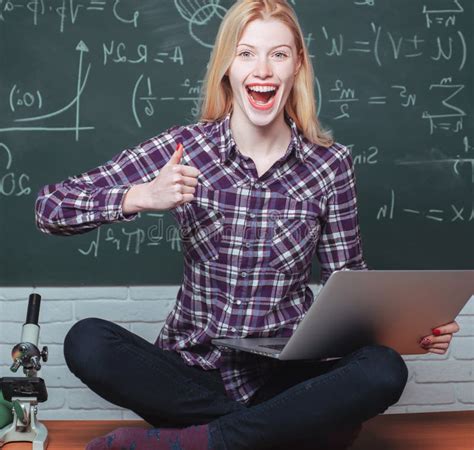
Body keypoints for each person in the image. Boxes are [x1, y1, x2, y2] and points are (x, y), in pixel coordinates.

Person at [35, 1, 460, 449]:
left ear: (297, 65)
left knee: (384, 368)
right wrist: (139, 196)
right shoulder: (185, 148)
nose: (263, 69)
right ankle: (283, 431)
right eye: (246, 53)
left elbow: (347, 284)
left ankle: (205, 441)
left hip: (286, 376)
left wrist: (409, 328)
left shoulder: (329, 165)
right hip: (193, 377)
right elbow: (50, 208)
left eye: (278, 54)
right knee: (86, 341)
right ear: (227, 68)